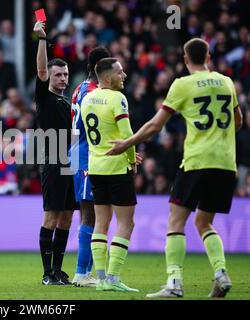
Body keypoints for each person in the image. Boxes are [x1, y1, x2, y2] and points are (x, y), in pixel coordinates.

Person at [107, 38, 243, 298]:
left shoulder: (182, 85)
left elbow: (155, 126)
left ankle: (174, 283)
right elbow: (238, 121)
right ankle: (220, 272)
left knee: (176, 220)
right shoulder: (227, 82)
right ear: (208, 56)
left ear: (185, 58)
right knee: (205, 222)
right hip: (226, 163)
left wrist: (128, 142)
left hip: (197, 161)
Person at [81, 57, 138, 292]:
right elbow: (127, 135)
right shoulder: (118, 98)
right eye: (120, 72)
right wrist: (132, 161)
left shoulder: (87, 98)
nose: (124, 76)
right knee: (126, 223)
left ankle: (101, 279)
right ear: (106, 77)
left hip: (95, 167)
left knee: (101, 224)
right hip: (116, 167)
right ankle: (113, 279)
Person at [33, 20, 78, 285]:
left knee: (67, 216)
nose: (63, 78)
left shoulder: (67, 100)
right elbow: (40, 69)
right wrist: (42, 40)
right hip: (53, 160)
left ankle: (58, 270)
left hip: (70, 161)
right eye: (58, 74)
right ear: (50, 77)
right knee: (51, 216)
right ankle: (47, 272)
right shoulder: (45, 97)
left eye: (65, 74)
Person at [70, 46, 112, 287]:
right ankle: (81, 273)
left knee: (92, 215)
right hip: (86, 155)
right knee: (89, 214)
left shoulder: (79, 88)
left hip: (79, 153)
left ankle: (84, 271)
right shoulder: (93, 92)